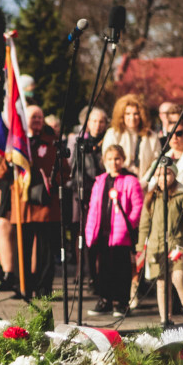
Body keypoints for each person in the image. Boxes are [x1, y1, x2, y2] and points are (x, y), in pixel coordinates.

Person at [85, 144, 143, 317]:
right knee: (102, 268)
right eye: (109, 159)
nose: (113, 162)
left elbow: (137, 206)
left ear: (123, 160)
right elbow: (93, 207)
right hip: (102, 232)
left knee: (121, 268)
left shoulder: (130, 180)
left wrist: (129, 224)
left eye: (117, 158)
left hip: (120, 233)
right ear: (104, 161)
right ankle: (105, 300)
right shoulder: (100, 180)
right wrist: (90, 230)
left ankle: (121, 302)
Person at [138, 165, 183, 326]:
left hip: (178, 246)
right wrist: (140, 247)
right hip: (156, 247)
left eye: (166, 174)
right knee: (162, 282)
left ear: (174, 174)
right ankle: (165, 318)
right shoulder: (152, 196)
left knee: (178, 276)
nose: (162, 178)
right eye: (158, 175)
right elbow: (144, 224)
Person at [23, 105, 69, 298]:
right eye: (34, 117)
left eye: (40, 117)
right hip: (24, 202)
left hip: (46, 203)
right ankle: (25, 285)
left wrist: (51, 181)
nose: (38, 121)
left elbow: (65, 170)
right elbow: (0, 170)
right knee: (24, 246)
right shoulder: (18, 142)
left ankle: (44, 288)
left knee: (46, 248)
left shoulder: (52, 142)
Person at [71, 107, 109, 294]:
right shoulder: (79, 142)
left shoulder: (108, 141)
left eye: (101, 121)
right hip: (84, 195)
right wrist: (86, 189)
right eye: (94, 121)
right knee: (84, 237)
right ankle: (86, 273)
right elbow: (75, 170)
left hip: (105, 193)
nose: (97, 125)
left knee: (102, 238)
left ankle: (100, 276)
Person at [102, 93, 161, 186]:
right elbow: (108, 161)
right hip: (118, 186)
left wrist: (142, 183)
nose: (132, 118)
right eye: (128, 114)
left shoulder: (152, 136)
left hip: (143, 186)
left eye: (136, 114)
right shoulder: (112, 133)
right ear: (122, 115)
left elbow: (155, 163)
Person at [145, 120, 183, 192]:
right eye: (170, 134)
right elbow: (150, 181)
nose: (174, 137)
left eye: (179, 133)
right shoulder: (163, 157)